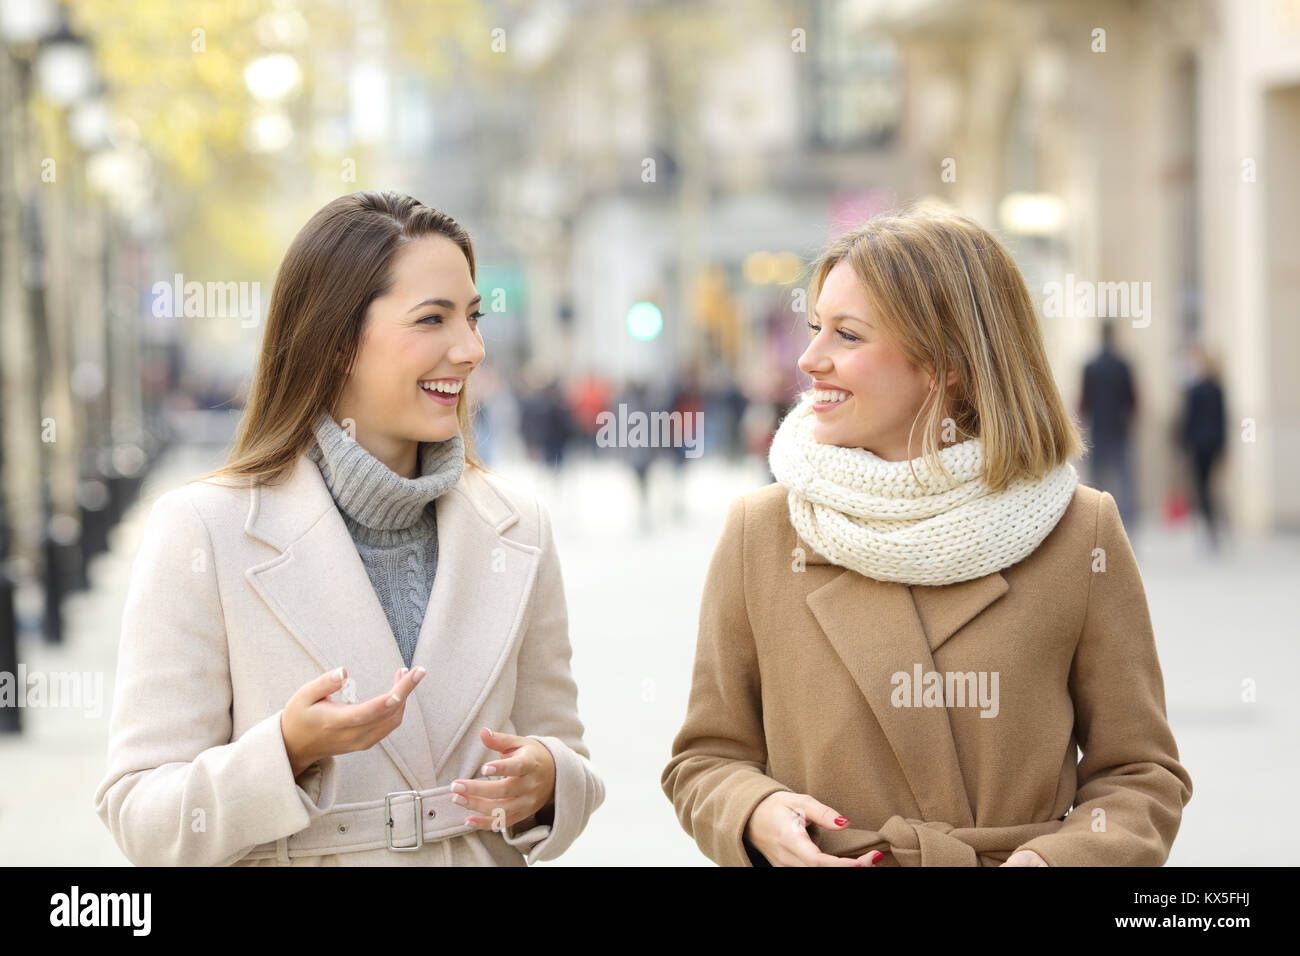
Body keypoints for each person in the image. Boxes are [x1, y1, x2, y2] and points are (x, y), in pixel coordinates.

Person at [661, 207, 1192, 866]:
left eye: (847, 336)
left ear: (949, 363)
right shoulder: (762, 532)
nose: (809, 359)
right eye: (815, 327)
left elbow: (1142, 776)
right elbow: (706, 760)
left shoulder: (1081, 532)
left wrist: (1053, 862)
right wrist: (756, 812)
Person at [93, 190, 604, 866]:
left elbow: (565, 755)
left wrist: (546, 783)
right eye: (433, 319)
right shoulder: (203, 530)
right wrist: (287, 751)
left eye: (474, 318)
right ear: (336, 341)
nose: (471, 348)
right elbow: (142, 818)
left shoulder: (518, 528)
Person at [1080, 319, 1139, 531]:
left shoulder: (1090, 366)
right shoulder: (1123, 365)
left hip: (1098, 429)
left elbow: (1083, 402)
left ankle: (1098, 524)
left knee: (1097, 482)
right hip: (1119, 429)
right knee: (1124, 482)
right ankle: (1126, 525)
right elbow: (1132, 400)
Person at [1177, 344, 1227, 551]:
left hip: (1204, 444)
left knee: (1203, 487)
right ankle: (1211, 528)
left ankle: (1211, 528)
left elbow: (1218, 418)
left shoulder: (1205, 390)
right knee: (1205, 487)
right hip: (1205, 444)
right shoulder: (1206, 389)